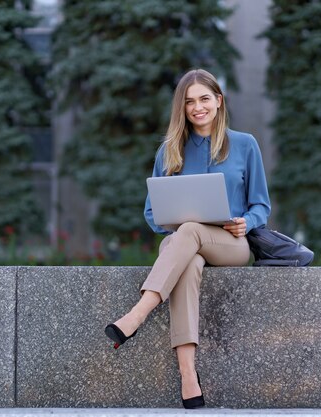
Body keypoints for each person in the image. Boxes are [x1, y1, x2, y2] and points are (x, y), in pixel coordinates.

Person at [105, 68, 271, 409]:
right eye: (190, 101)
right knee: (188, 257)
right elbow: (152, 213)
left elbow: (261, 205)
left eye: (205, 99)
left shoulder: (244, 144)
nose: (198, 107)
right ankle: (188, 377)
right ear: (181, 108)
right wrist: (175, 224)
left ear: (219, 101)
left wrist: (246, 221)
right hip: (185, 246)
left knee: (189, 232)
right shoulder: (169, 151)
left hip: (232, 244)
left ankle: (137, 314)